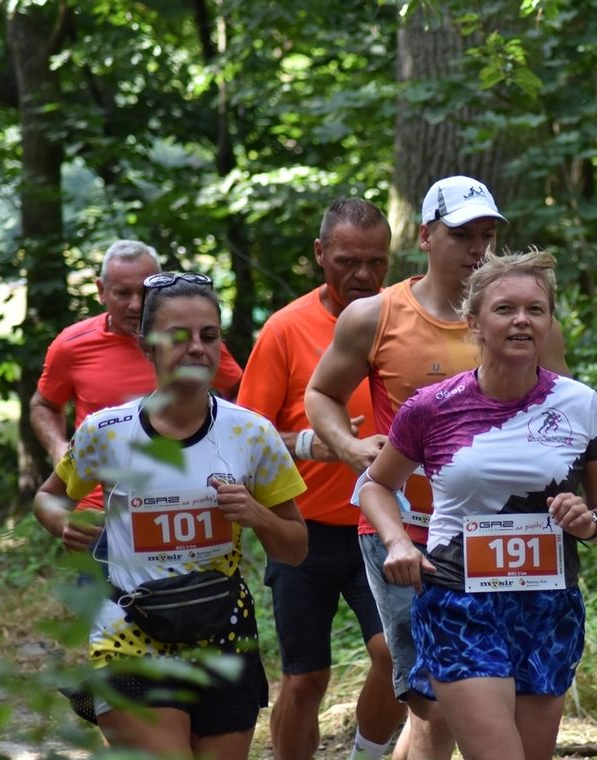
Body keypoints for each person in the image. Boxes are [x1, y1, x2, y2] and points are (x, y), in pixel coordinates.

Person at [304, 176, 568, 760]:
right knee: (437, 700)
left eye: (488, 234)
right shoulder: (376, 314)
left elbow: (561, 412)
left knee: (464, 701)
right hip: (407, 531)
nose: (478, 248)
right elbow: (320, 394)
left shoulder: (523, 317)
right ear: (425, 236)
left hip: (504, 536)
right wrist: (350, 450)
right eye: (462, 235)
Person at [356, 249, 597, 760]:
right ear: (474, 322)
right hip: (459, 602)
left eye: (536, 309)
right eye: (505, 309)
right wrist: (396, 543)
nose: (522, 320)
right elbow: (373, 484)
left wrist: (587, 522)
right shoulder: (431, 407)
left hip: (549, 605)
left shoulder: (579, 403)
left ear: (548, 322)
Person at [33, 271, 308, 759]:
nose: (196, 348)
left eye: (209, 335)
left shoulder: (252, 434)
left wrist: (257, 516)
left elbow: (295, 545)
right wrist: (62, 522)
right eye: (178, 337)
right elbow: (48, 497)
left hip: (223, 632)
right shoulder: (106, 432)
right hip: (129, 632)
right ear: (148, 346)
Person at [236, 198, 405, 760]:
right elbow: (243, 440)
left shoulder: (402, 322)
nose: (363, 274)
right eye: (347, 260)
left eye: (376, 262)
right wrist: (318, 443)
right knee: (305, 681)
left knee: (394, 655)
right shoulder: (286, 329)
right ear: (319, 255)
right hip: (302, 531)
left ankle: (367, 753)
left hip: (378, 527)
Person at [30, 240, 243, 543]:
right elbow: (44, 404)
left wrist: (231, 457)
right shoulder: (72, 345)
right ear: (101, 290)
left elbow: (241, 394)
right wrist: (57, 446)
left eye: (143, 293)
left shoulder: (193, 342)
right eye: (121, 293)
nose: (134, 304)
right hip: (102, 512)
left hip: (188, 507)